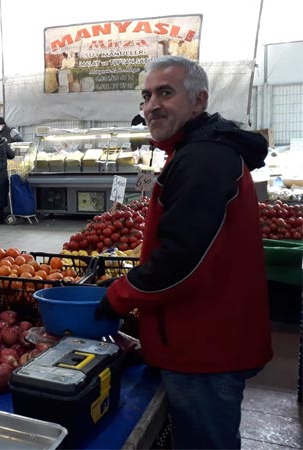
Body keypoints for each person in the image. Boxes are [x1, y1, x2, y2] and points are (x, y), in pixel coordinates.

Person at [96, 56, 272, 450]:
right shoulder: (196, 149)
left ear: (198, 101)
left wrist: (119, 295)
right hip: (202, 338)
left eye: (165, 92)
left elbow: (183, 261)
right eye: (146, 95)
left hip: (206, 348)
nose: (152, 104)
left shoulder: (204, 158)